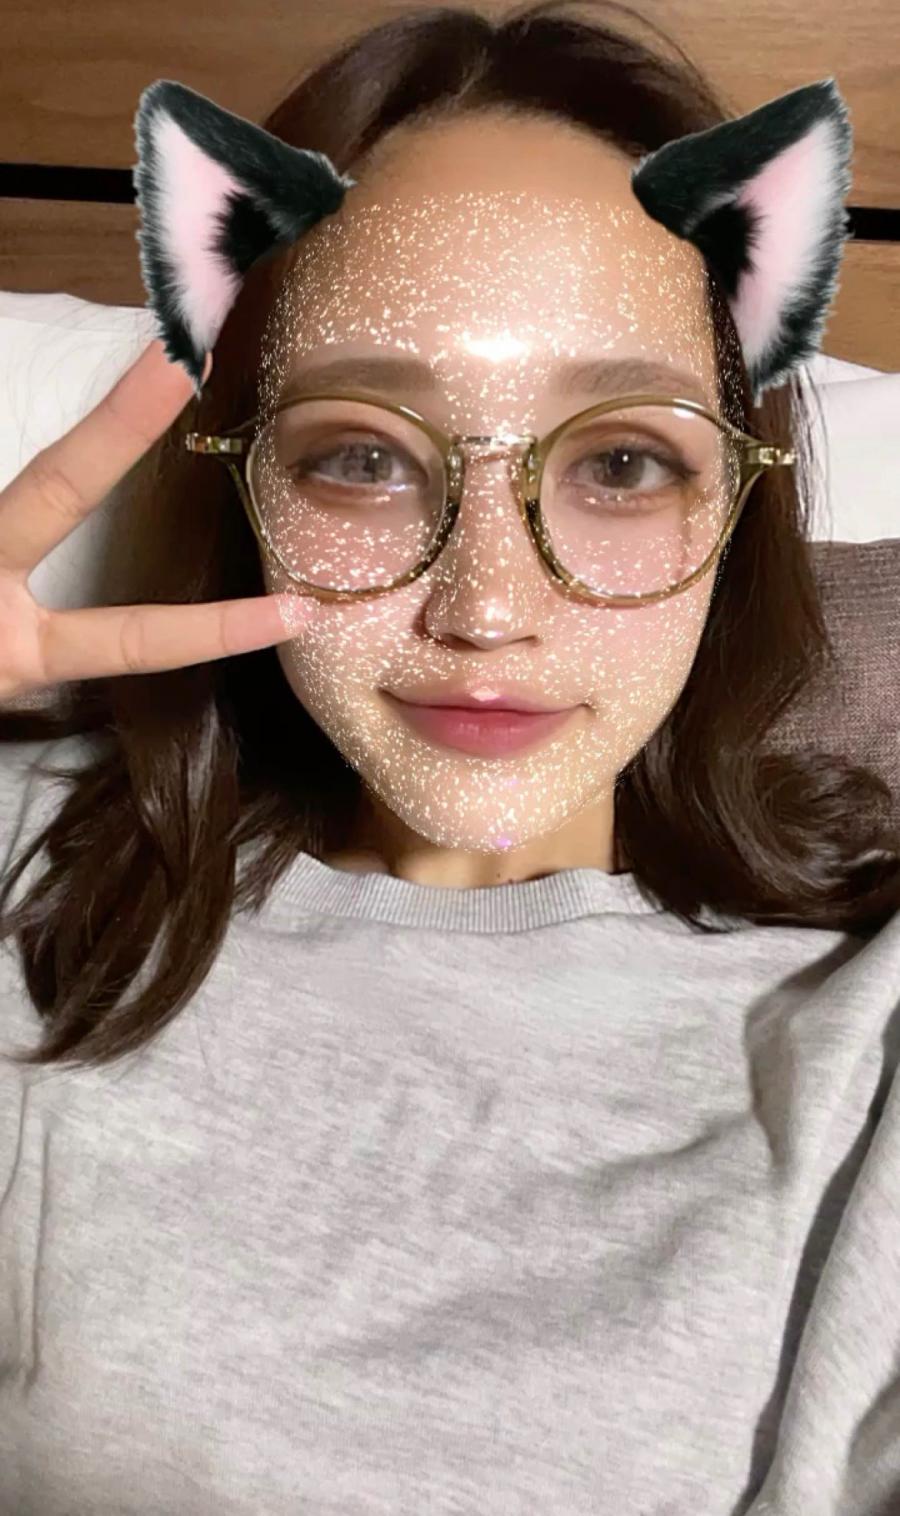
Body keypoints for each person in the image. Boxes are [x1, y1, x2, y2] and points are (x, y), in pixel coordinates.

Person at [1, 3, 898, 1512]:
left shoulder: (868, 1039)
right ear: (248, 481)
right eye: (361, 457)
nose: (485, 609)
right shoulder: (33, 871)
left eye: (623, 462)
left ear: (739, 499)